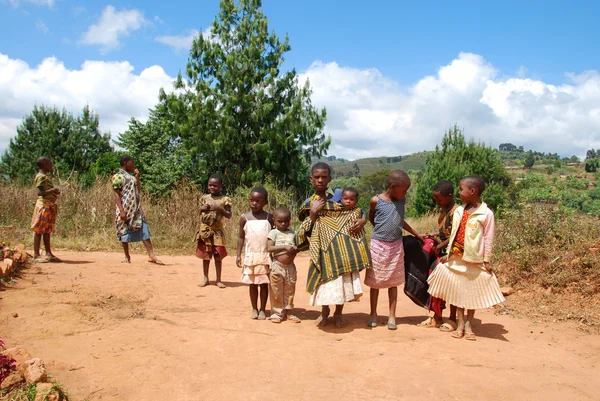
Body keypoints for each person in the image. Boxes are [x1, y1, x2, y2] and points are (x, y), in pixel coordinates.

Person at [427, 176, 505, 341]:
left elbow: (489, 238)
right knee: (458, 291)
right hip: (457, 257)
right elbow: (454, 234)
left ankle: (468, 324)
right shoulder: (459, 212)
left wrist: (487, 260)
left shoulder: (486, 214)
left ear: (472, 191)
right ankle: (460, 324)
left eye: (461, 189)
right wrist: (447, 255)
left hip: (474, 259)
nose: (459, 193)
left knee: (471, 293)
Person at [296, 162, 371, 329]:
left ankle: (338, 312)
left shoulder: (339, 195)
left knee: (341, 281)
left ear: (330, 178)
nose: (320, 180)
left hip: (341, 249)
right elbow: (306, 225)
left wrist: (363, 220)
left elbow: (357, 210)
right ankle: (324, 312)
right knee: (324, 281)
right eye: (317, 177)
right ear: (311, 179)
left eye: (324, 177)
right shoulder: (310, 202)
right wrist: (314, 212)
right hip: (323, 248)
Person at [365, 170, 424, 330]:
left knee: (393, 282)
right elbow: (372, 218)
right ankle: (373, 313)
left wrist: (416, 234)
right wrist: (382, 230)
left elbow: (400, 220)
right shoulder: (376, 201)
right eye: (404, 190)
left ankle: (392, 315)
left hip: (396, 246)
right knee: (375, 282)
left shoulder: (401, 201)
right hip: (378, 245)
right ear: (392, 186)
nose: (405, 193)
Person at [419, 180, 460, 331]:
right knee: (437, 283)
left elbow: (457, 234)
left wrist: (442, 245)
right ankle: (437, 316)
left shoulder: (457, 212)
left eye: (439, 199)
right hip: (443, 252)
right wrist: (435, 234)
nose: (437, 202)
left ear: (449, 196)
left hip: (455, 253)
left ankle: (452, 319)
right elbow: (446, 232)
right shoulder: (445, 211)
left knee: (452, 285)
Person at [112, 155, 163, 265]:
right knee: (123, 230)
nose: (133, 165)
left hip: (135, 209)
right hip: (124, 208)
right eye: (132, 162)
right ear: (125, 163)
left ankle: (151, 255)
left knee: (144, 229)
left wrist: (137, 177)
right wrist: (121, 210)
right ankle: (127, 257)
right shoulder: (118, 177)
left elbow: (138, 190)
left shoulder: (132, 178)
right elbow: (116, 195)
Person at [236, 187, 272, 319]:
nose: (254, 203)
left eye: (258, 201)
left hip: (265, 256)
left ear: (265, 202)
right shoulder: (244, 218)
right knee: (252, 284)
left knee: (263, 284)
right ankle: (254, 308)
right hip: (251, 256)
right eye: (251, 200)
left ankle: (263, 309)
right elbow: (241, 237)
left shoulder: (270, 217)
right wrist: (238, 254)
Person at [195, 174, 232, 288]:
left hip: (217, 231)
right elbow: (198, 212)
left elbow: (229, 215)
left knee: (217, 255)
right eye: (210, 185)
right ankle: (206, 278)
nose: (212, 188)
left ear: (221, 186)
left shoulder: (225, 200)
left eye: (215, 186)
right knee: (206, 255)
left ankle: (218, 279)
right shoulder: (204, 198)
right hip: (205, 231)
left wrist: (220, 209)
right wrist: (201, 208)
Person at [266, 206, 300, 324]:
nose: (283, 224)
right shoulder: (273, 233)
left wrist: (295, 249)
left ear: (290, 220)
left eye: (286, 221)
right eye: (280, 221)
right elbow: (269, 248)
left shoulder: (293, 233)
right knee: (276, 290)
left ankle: (288, 311)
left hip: (290, 266)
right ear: (274, 221)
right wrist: (284, 247)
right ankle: (276, 312)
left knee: (290, 289)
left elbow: (298, 246)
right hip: (277, 266)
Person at [31, 156, 61, 263]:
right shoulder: (41, 177)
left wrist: (54, 192)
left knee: (47, 230)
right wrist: (53, 190)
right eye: (49, 163)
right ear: (44, 163)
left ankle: (49, 253)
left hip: (48, 206)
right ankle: (36, 254)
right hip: (43, 206)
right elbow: (40, 193)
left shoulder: (45, 177)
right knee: (39, 230)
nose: (51, 165)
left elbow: (45, 191)